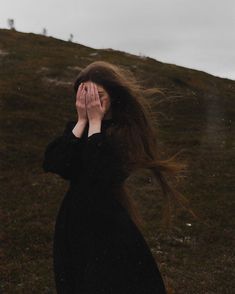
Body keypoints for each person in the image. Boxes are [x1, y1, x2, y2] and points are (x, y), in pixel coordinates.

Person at [42, 61, 196, 293]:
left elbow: (100, 175)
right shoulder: (78, 129)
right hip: (74, 224)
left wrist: (95, 123)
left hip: (106, 225)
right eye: (84, 95)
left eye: (98, 95)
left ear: (113, 96)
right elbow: (54, 163)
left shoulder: (123, 133)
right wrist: (83, 121)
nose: (90, 101)